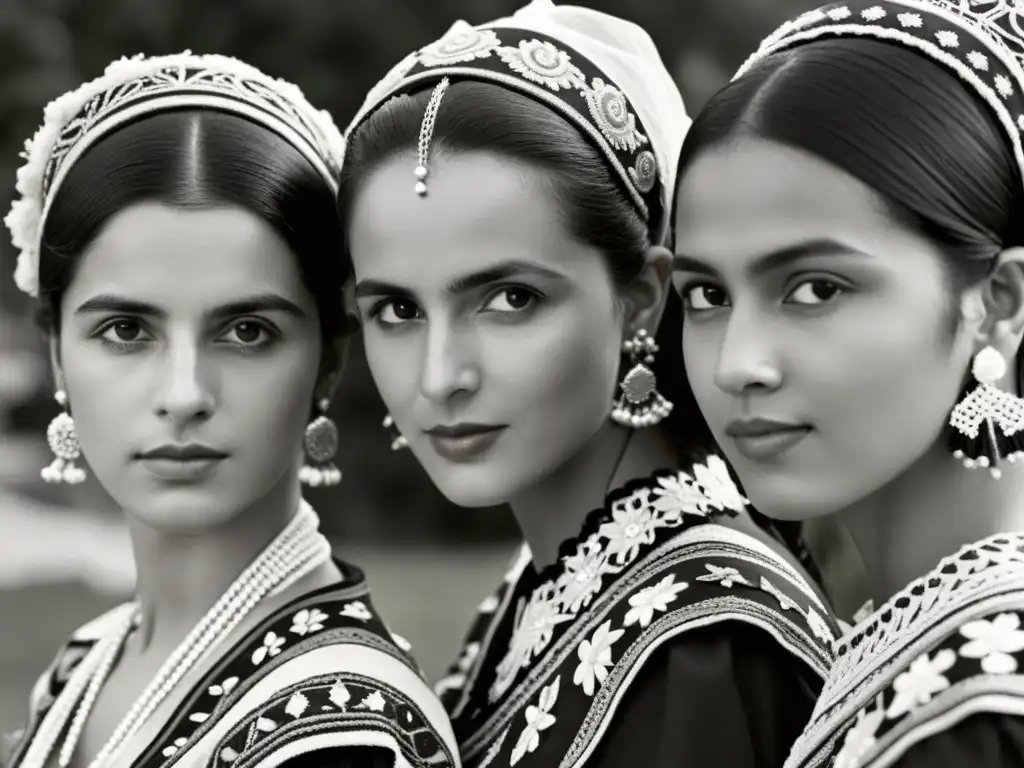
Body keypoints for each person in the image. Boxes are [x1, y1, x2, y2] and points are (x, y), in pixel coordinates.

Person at [339, 2, 839, 766]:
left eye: (510, 299)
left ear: (641, 295)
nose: (440, 377)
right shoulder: (552, 577)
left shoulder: (711, 647)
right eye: (398, 309)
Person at [3, 52, 457, 768]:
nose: (184, 394)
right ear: (58, 354)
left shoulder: (346, 732)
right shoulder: (85, 664)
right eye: (126, 330)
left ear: (329, 360)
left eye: (247, 331)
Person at [671, 1, 1024, 766]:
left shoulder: (981, 713)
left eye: (817, 289)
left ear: (999, 304)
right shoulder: (906, 646)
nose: (737, 363)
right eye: (707, 295)